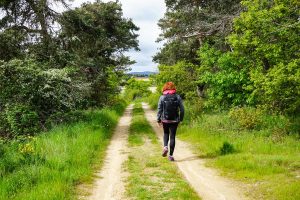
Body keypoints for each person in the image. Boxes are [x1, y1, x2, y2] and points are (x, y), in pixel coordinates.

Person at [157, 82, 184, 161]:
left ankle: (165, 147)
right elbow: (182, 109)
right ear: (173, 88)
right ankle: (171, 156)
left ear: (165, 88)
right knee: (172, 136)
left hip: (165, 119)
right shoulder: (177, 97)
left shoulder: (162, 97)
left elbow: (159, 109)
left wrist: (158, 119)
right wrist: (181, 119)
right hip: (174, 120)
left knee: (166, 133)